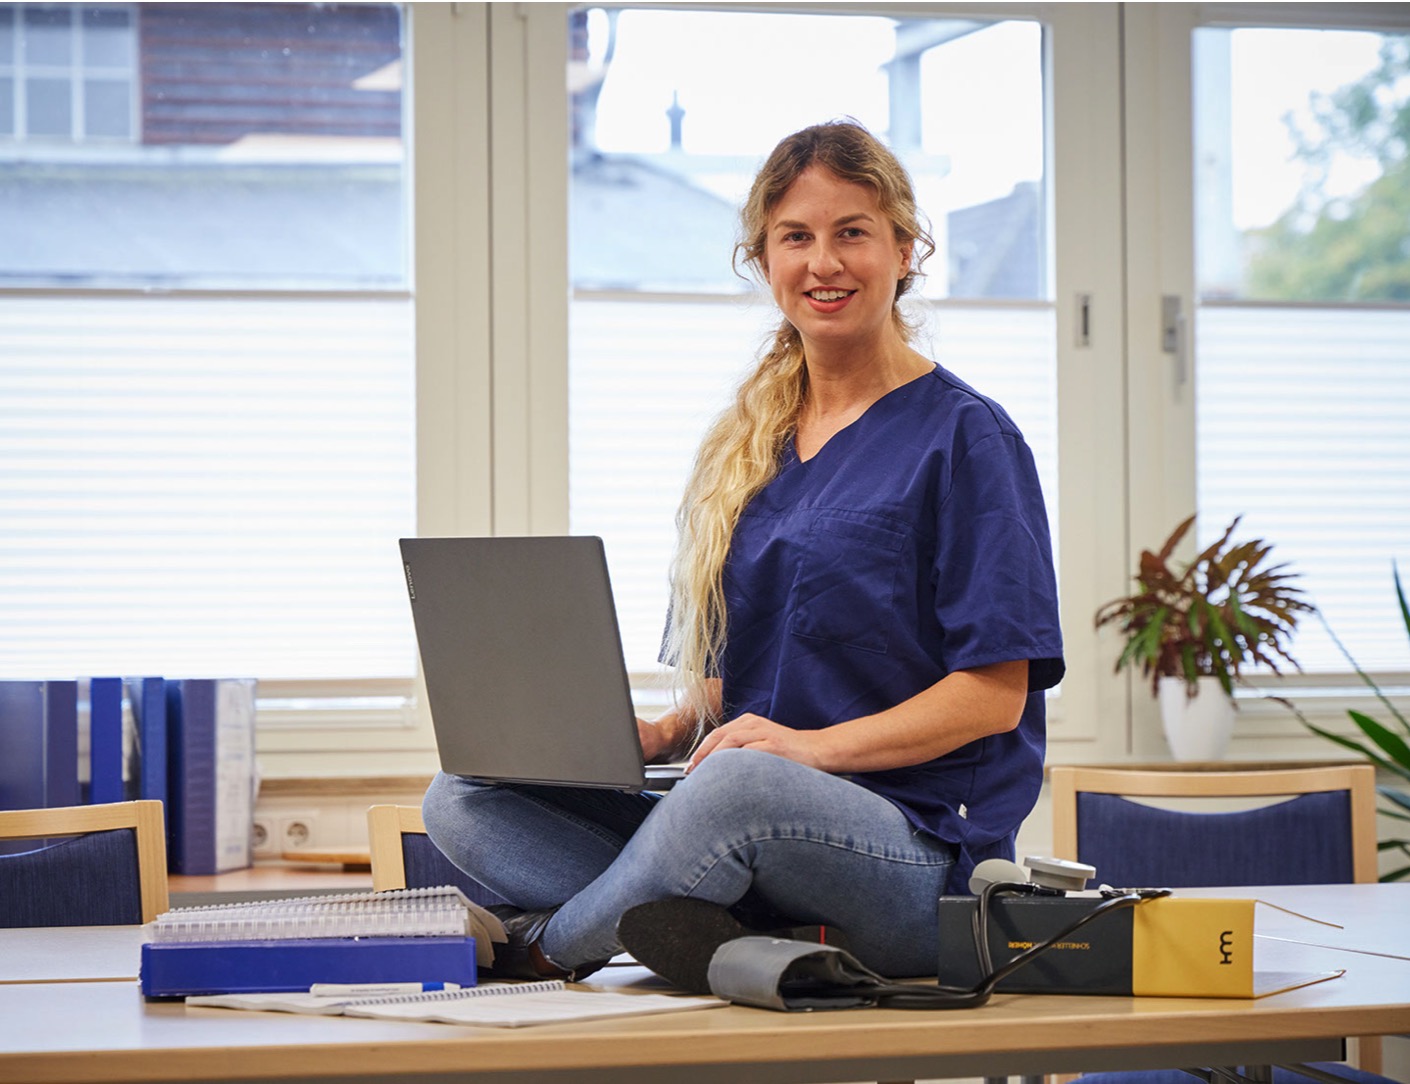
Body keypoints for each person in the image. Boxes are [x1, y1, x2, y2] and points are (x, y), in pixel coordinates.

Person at [422, 119, 1063, 991]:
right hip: (752, 821)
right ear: (762, 259)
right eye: (795, 237)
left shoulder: (968, 437)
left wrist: (808, 751)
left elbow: (994, 696)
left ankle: (543, 948)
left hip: (918, 855)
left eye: (852, 233)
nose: (823, 263)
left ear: (906, 250)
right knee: (465, 794)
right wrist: (664, 732)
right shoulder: (748, 444)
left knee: (736, 791)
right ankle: (714, 917)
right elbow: (750, 678)